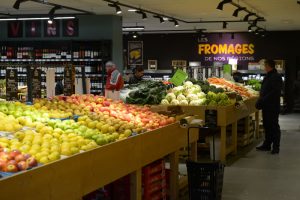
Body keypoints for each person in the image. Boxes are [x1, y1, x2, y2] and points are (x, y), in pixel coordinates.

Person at [256, 59, 283, 154]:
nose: (264, 67)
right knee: (267, 125)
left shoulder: (276, 77)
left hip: (272, 106)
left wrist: (262, 100)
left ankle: (276, 147)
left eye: (264, 65)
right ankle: (267, 145)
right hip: (266, 106)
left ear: (268, 66)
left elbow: (274, 92)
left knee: (274, 126)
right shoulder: (269, 76)